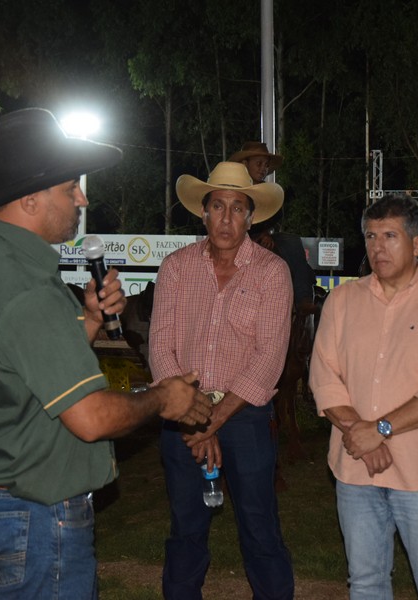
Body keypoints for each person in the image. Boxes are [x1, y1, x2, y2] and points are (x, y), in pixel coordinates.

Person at [0, 108, 212, 599]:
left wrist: (87, 322)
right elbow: (90, 418)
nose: (82, 198)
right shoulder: (25, 287)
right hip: (36, 510)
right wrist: (162, 398)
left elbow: (17, 374)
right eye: (69, 188)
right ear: (29, 199)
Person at [309, 193, 418, 600]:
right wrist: (361, 437)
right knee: (366, 583)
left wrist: (380, 429)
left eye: (389, 235)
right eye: (370, 236)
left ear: (417, 244)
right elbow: (323, 377)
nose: (377, 246)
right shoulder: (342, 301)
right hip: (354, 472)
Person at [150, 160, 295, 599]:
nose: (227, 218)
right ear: (203, 213)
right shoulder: (175, 267)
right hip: (183, 418)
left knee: (259, 526)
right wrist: (193, 417)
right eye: (218, 207)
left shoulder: (272, 271)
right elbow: (160, 348)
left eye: (237, 208)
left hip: (245, 418)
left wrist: (210, 421)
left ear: (251, 216)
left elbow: (269, 358)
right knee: (186, 529)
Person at [229, 140, 316, 313]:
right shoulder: (232, 190)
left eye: (266, 165)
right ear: (245, 164)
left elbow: (275, 216)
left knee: (291, 242)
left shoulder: (268, 192)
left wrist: (265, 233)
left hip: (262, 236)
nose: (263, 169)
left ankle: (302, 298)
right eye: (259, 163)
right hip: (236, 238)